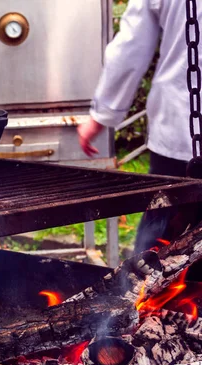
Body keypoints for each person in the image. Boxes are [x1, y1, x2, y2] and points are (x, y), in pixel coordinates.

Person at [77, 0, 201, 253]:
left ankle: (147, 291)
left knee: (159, 246)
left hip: (179, 129)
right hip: (179, 127)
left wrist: (102, 115)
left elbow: (131, 46)